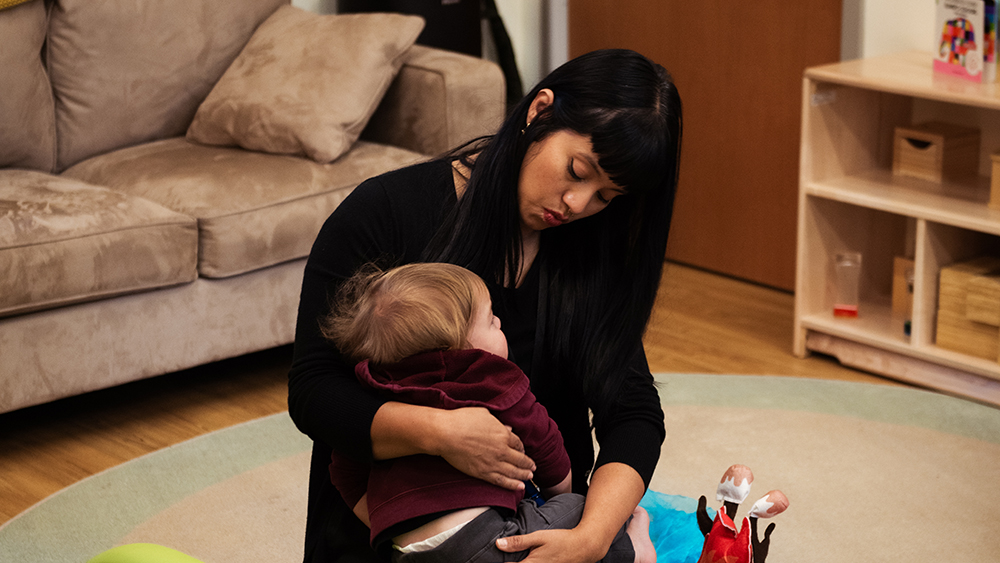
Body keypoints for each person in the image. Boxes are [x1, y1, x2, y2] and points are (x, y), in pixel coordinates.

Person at [288, 48, 682, 563]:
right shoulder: (385, 212)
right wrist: (441, 433)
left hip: (541, 527)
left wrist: (591, 536)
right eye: (578, 171)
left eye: (607, 196)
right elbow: (314, 391)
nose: (578, 205)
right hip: (395, 534)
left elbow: (632, 411)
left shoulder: (593, 250)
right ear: (540, 111)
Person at [321, 262, 655, 563]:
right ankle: (634, 552)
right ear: (462, 348)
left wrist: (388, 519)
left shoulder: (377, 395)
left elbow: (344, 471)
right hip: (486, 542)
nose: (500, 324)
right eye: (492, 320)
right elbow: (549, 450)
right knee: (583, 509)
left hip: (404, 552)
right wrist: (560, 497)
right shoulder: (494, 384)